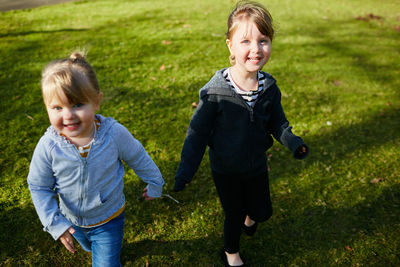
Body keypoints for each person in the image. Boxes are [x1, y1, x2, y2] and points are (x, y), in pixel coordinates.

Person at [173, 1, 308, 266]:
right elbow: (197, 135)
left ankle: (251, 216)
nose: (256, 49)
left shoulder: (269, 88)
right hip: (226, 169)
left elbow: (278, 123)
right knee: (233, 214)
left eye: (263, 40)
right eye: (245, 41)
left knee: (262, 212)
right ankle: (231, 253)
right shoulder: (215, 94)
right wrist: (185, 172)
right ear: (230, 46)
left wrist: (293, 142)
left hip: (256, 165)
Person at [27, 52, 165, 266]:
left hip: (108, 219)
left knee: (105, 262)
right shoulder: (48, 146)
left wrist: (155, 183)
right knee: (88, 246)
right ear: (46, 108)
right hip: (72, 220)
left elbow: (139, 157)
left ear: (97, 102)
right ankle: (94, 246)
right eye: (57, 108)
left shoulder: (114, 135)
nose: (68, 115)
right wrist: (56, 224)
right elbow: (38, 186)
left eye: (77, 105)